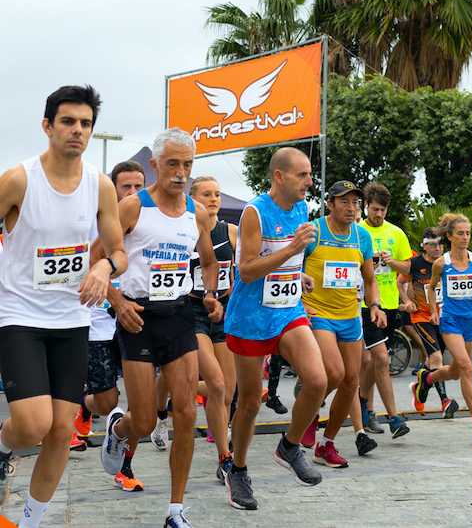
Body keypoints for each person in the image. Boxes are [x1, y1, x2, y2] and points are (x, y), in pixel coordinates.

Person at [0, 85, 127, 527]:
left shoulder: (100, 185)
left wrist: (105, 267)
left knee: (60, 428)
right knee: (32, 425)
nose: (78, 130)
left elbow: (120, 251)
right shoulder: (19, 179)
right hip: (19, 315)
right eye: (68, 121)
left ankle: (30, 521)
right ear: (47, 126)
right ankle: (2, 449)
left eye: (85, 123)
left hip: (72, 320)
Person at [95, 128, 223, 528]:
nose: (181, 173)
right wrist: (118, 303)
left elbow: (208, 260)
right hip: (138, 318)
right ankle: (119, 427)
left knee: (186, 413)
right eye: (173, 164)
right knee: (146, 421)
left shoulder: (196, 212)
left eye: (187, 165)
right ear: (155, 164)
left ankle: (175, 509)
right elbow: (96, 260)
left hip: (180, 315)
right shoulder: (133, 207)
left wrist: (210, 293)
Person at [223, 147, 327, 510]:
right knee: (250, 403)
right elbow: (247, 271)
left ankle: (289, 446)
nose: (310, 182)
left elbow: (290, 259)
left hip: (288, 311)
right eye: (302, 175)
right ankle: (237, 470)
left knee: (317, 380)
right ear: (279, 176)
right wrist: (290, 252)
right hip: (251, 317)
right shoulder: (255, 212)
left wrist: (299, 277)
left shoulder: (301, 207)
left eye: (310, 174)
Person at [300, 180, 385, 469]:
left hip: (350, 316)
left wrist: (374, 305)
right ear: (330, 204)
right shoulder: (313, 231)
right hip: (319, 314)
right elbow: (290, 269)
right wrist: (302, 302)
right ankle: (309, 413)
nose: (352, 208)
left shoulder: (361, 236)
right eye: (345, 202)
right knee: (334, 373)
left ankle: (326, 444)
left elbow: (370, 279)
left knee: (351, 380)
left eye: (355, 203)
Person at [75, 161, 147, 492]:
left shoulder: (150, 222)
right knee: (106, 402)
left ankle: (126, 466)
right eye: (126, 187)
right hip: (97, 322)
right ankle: (86, 406)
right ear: (112, 190)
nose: (133, 193)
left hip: (136, 321)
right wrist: (115, 299)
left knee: (139, 402)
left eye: (138, 186)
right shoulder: (94, 223)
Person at [412, 213, 472, 441]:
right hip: (451, 320)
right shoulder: (442, 263)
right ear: (450, 236)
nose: (465, 237)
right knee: (467, 367)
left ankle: (427, 379)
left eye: (468, 233)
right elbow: (431, 289)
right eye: (460, 233)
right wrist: (434, 311)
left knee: (455, 372)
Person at [186, 177, 237, 475]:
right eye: (207, 194)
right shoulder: (183, 231)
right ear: (193, 198)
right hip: (192, 312)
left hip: (224, 311)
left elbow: (243, 269)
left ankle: (177, 385)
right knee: (216, 385)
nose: (214, 199)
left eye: (217, 194)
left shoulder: (230, 231)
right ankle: (224, 458)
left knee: (228, 392)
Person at [357, 182, 412, 439]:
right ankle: (393, 418)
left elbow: (408, 268)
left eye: (383, 210)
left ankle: (364, 404)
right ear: (366, 206)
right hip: (367, 305)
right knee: (380, 359)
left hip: (390, 306)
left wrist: (392, 262)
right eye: (375, 209)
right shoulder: (356, 231)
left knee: (372, 362)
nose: (379, 214)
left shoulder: (397, 234)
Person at [400, 227, 459, 418]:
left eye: (441, 243)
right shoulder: (415, 264)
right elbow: (400, 282)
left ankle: (420, 386)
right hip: (422, 317)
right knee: (437, 359)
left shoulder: (446, 263)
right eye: (433, 244)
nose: (438, 248)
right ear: (424, 246)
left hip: (444, 317)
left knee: (433, 360)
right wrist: (407, 302)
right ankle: (445, 401)